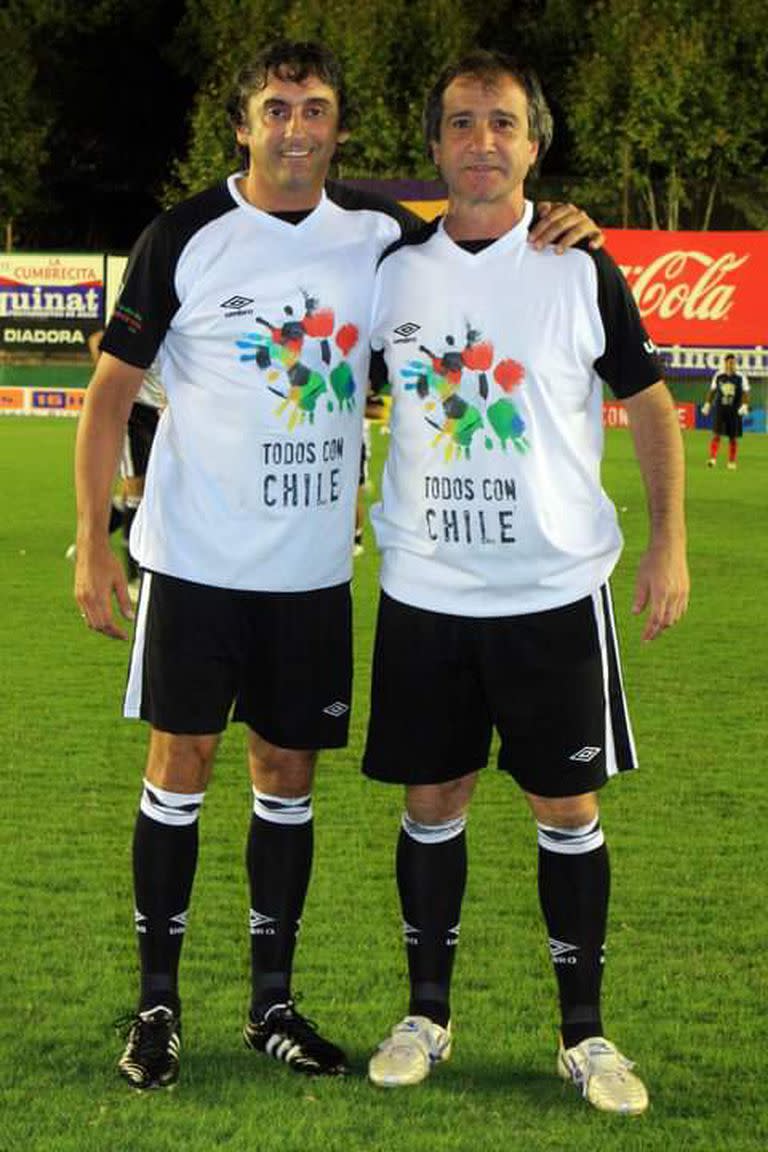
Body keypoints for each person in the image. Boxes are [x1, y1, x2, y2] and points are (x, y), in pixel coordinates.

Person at [74, 39, 603, 1093]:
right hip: (195, 563)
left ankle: (273, 1001)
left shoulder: (376, 236)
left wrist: (565, 221)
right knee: (179, 769)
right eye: (277, 108)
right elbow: (110, 390)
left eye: (316, 109)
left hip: (313, 575)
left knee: (286, 779)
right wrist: (93, 537)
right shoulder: (183, 234)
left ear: (340, 127)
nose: (297, 128)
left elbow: (477, 236)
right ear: (244, 123)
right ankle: (157, 1006)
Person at [362, 50, 689, 1115]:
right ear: (436, 146)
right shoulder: (392, 273)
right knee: (432, 798)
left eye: (503, 123)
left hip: (552, 591)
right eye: (461, 123)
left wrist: (667, 544)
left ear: (533, 144)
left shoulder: (578, 265)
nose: (482, 141)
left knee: (568, 803)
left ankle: (585, 1035)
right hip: (426, 590)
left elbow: (648, 403)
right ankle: (426, 1014)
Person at [85, 330, 166, 600]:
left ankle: (94, 538)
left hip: (159, 412)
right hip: (135, 410)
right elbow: (97, 339)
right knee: (135, 489)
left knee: (150, 489)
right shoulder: (139, 322)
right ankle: (133, 577)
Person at [703, 352, 750, 469]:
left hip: (734, 410)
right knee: (716, 434)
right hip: (720, 409)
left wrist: (745, 405)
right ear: (725, 363)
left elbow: (746, 392)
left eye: (733, 363)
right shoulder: (719, 376)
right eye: (729, 362)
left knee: (732, 437)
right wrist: (707, 404)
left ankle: (731, 461)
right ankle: (712, 459)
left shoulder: (740, 377)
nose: (731, 365)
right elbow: (712, 391)